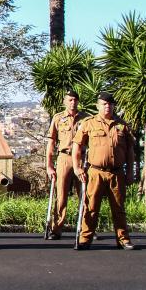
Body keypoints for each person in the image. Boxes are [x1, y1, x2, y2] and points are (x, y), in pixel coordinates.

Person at [71, 92, 137, 250]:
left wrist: (130, 172)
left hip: (116, 173)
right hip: (95, 172)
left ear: (114, 106)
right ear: (97, 106)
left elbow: (129, 151)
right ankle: (85, 239)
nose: (107, 106)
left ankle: (123, 239)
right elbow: (77, 147)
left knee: (119, 208)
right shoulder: (89, 123)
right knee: (90, 207)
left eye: (110, 104)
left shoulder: (122, 125)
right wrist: (77, 167)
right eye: (104, 104)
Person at [44, 91, 86, 240]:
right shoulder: (58, 118)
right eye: (70, 100)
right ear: (64, 102)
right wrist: (49, 165)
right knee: (61, 195)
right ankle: (56, 229)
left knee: (85, 194)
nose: (73, 103)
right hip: (64, 157)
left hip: (81, 158)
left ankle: (86, 229)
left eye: (75, 100)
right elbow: (51, 143)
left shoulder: (86, 118)